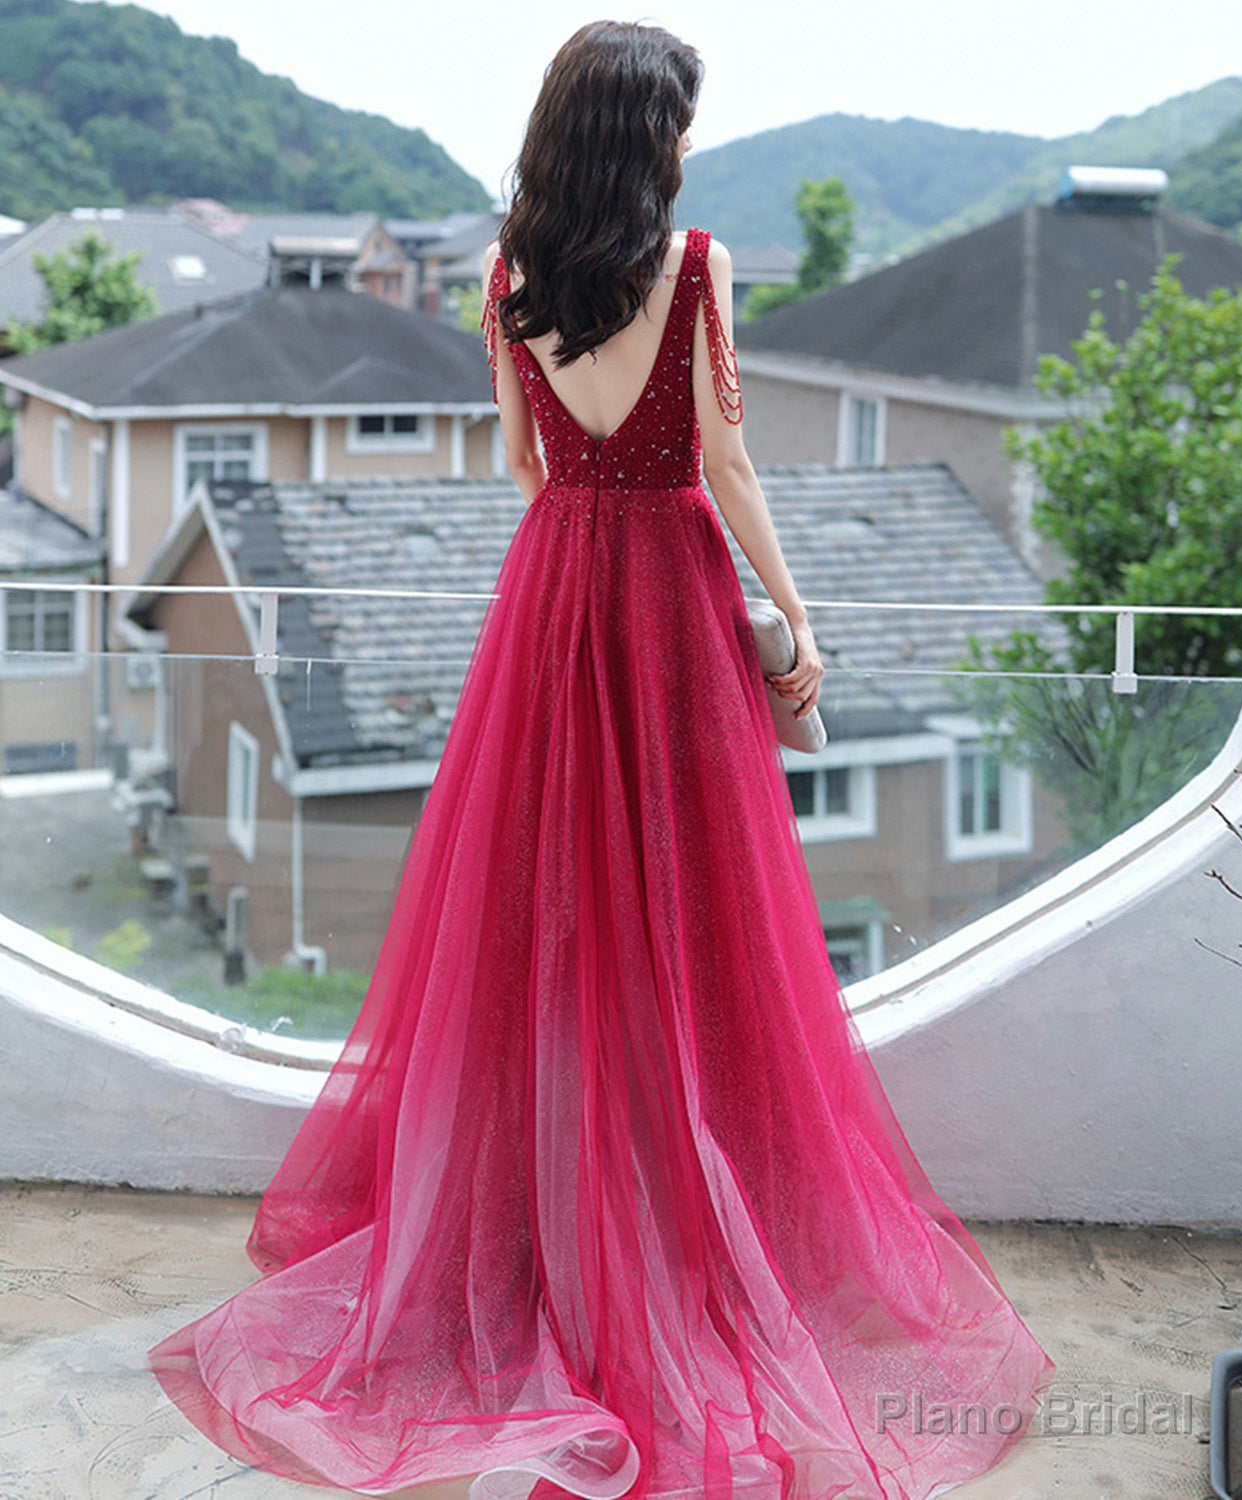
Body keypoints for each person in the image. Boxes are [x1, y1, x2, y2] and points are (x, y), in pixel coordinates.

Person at [148, 20, 1055, 1500]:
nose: (693, 142)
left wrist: (584, 483)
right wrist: (795, 607)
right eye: (684, 120)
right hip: (672, 604)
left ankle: (542, 1228)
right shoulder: (694, 266)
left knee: (543, 916)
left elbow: (517, 465)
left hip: (556, 595)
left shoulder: (506, 269)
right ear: (653, 134)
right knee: (694, 918)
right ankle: (684, 1215)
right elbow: (725, 462)